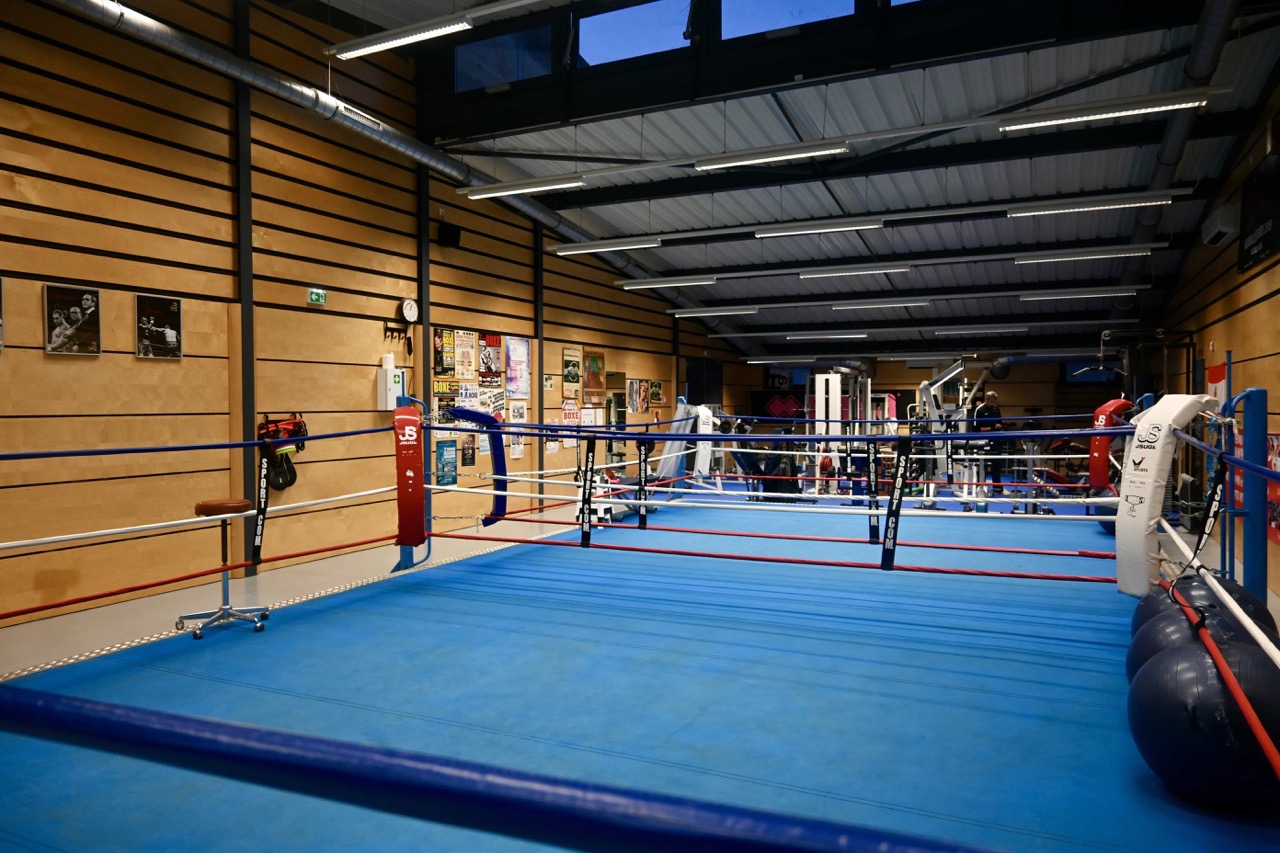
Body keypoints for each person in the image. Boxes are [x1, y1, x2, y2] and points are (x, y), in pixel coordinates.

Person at [974, 390, 1005, 493]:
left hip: (996, 439)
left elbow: (1000, 422)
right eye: (991, 402)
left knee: (997, 464)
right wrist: (991, 428)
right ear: (986, 400)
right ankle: (979, 487)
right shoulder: (980, 410)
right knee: (983, 464)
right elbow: (976, 429)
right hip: (984, 440)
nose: (993, 404)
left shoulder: (996, 408)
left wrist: (1000, 427)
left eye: (994, 402)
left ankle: (997, 487)